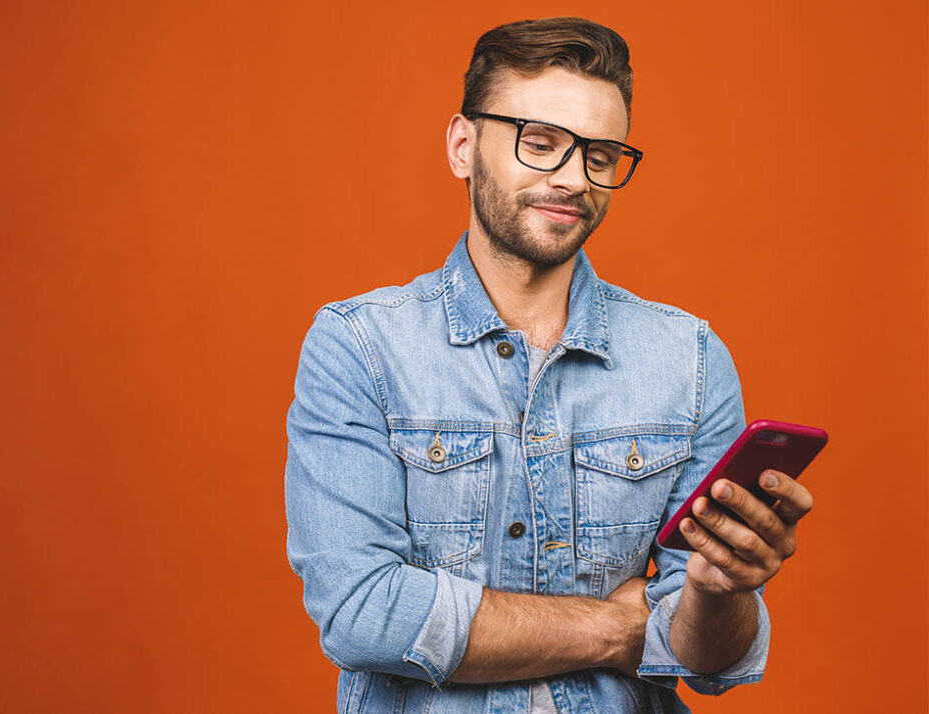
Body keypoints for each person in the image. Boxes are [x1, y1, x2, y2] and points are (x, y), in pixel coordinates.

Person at [284, 16, 813, 714]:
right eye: (541, 144)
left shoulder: (689, 359)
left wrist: (720, 592)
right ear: (463, 147)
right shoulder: (358, 346)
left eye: (600, 156)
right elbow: (362, 610)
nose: (573, 179)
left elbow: (703, 659)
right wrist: (615, 628)